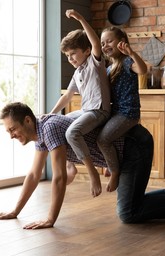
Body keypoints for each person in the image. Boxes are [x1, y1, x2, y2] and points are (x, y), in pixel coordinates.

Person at [0, 102, 165, 229]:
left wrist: (50, 219)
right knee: (132, 206)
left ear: (28, 120)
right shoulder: (41, 132)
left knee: (128, 212)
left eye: (12, 129)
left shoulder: (49, 127)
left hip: (133, 146)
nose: (11, 136)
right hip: (126, 149)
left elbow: (57, 178)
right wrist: (15, 211)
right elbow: (34, 174)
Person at [49, 9, 111, 198]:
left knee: (72, 132)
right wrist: (51, 113)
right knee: (59, 123)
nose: (70, 59)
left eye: (73, 54)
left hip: (99, 110)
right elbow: (67, 96)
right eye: (67, 56)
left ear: (86, 51)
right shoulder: (78, 72)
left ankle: (92, 173)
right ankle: (70, 166)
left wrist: (81, 18)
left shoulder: (95, 62)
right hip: (85, 111)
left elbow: (94, 42)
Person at [97, 26, 147, 193]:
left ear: (122, 42)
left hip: (128, 113)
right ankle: (110, 163)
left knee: (103, 139)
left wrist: (131, 53)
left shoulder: (127, 62)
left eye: (109, 41)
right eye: (102, 43)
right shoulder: (110, 67)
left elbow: (143, 70)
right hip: (116, 112)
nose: (105, 46)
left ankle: (115, 172)